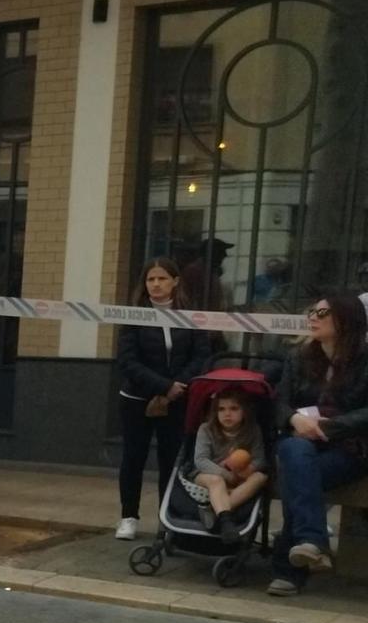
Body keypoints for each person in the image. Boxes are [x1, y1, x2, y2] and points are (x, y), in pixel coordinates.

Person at [267, 292, 368, 597]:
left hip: (348, 447)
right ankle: (312, 542)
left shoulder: (365, 359)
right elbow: (278, 402)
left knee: (298, 473)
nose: (313, 318)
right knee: (297, 456)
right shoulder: (299, 356)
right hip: (300, 442)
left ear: (346, 320)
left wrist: (328, 427)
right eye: (312, 312)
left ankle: (292, 567)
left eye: (322, 314)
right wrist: (295, 421)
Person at [113, 256, 211, 541]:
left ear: (175, 281)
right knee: (134, 458)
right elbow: (127, 361)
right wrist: (164, 385)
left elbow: (202, 355)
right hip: (136, 399)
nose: (156, 284)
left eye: (162, 278)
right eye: (150, 279)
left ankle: (167, 519)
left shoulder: (190, 314)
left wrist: (178, 386)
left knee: (171, 460)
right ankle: (128, 516)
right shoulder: (134, 315)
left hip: (178, 400)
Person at [190, 387, 268, 533]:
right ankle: (226, 520)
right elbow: (201, 460)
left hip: (239, 475)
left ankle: (215, 512)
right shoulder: (206, 429)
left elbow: (260, 460)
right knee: (216, 481)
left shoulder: (252, 430)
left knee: (260, 477)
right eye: (221, 409)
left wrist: (248, 470)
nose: (227, 414)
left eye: (233, 409)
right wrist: (226, 474)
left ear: (244, 410)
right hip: (208, 473)